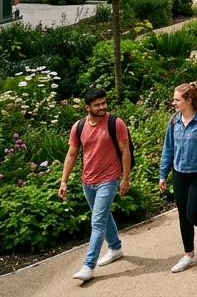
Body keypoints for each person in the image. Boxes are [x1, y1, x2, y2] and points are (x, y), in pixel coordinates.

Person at [61, 87, 130, 282]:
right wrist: (64, 181)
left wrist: (125, 178)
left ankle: (88, 266)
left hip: (108, 180)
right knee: (103, 216)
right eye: (97, 105)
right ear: (87, 107)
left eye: (104, 103)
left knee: (97, 222)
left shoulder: (115, 123)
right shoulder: (79, 127)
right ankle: (115, 247)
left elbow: (125, 152)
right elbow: (72, 154)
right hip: (87, 181)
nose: (102, 107)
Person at [157, 82, 197, 273]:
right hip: (180, 174)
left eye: (177, 99)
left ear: (189, 100)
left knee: (192, 215)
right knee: (183, 217)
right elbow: (168, 149)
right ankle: (189, 255)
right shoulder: (174, 121)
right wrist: (163, 174)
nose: (174, 103)